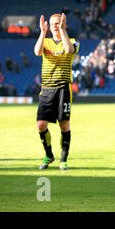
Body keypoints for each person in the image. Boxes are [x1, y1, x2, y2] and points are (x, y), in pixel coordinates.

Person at [34, 13, 80, 170]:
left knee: (64, 125)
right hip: (46, 89)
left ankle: (63, 159)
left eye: (58, 23)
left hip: (63, 89)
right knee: (41, 125)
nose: (55, 25)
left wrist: (63, 31)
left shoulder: (72, 41)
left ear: (63, 24)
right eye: (52, 23)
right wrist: (42, 32)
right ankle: (48, 155)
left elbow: (68, 50)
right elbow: (37, 52)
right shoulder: (45, 42)